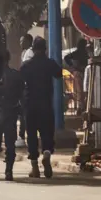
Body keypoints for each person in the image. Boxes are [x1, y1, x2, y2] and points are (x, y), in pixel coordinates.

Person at [20, 37, 62, 178]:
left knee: (31, 135)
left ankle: (34, 168)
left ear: (32, 49)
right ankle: (46, 154)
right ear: (45, 49)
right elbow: (59, 74)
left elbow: (20, 82)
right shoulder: (50, 64)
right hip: (46, 105)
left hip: (30, 105)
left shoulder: (26, 65)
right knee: (47, 134)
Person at [0, 51, 24, 181]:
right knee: (10, 144)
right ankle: (9, 170)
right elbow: (21, 94)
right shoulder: (16, 75)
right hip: (11, 112)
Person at [64, 38, 89, 114]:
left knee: (79, 90)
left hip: (79, 72)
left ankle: (81, 106)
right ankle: (81, 107)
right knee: (82, 90)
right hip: (81, 72)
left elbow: (66, 58)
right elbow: (66, 58)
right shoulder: (83, 53)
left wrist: (72, 66)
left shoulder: (78, 53)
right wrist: (73, 66)